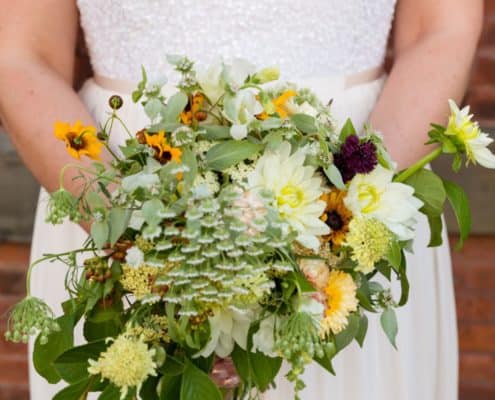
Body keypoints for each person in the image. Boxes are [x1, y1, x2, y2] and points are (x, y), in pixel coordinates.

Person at [0, 1, 483, 399]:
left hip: (358, 175)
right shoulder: (122, 219)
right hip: (116, 183)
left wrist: (341, 227)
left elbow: (439, 30)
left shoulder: (355, 202)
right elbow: (22, 54)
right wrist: (145, 248)